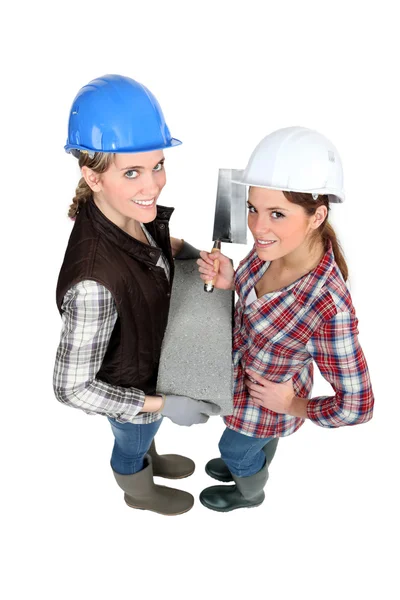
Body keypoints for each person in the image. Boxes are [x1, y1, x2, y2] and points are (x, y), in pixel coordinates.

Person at [53, 74, 219, 516]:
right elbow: (72, 389)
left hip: (149, 365)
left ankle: (152, 456)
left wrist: (194, 254)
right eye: (132, 172)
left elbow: (150, 251)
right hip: (132, 391)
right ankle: (137, 489)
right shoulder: (93, 284)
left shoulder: (126, 213)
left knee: (146, 433)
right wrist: (164, 404)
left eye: (157, 165)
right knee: (133, 439)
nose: (153, 186)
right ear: (93, 175)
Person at [197, 126, 374, 512]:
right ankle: (251, 456)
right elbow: (254, 309)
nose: (259, 227)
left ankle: (249, 490)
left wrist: (292, 406)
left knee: (232, 446)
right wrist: (231, 282)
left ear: (317, 216)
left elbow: (358, 406)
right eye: (253, 208)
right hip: (240, 380)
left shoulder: (329, 309)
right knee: (243, 444)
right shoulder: (268, 252)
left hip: (269, 398)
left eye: (278, 213)